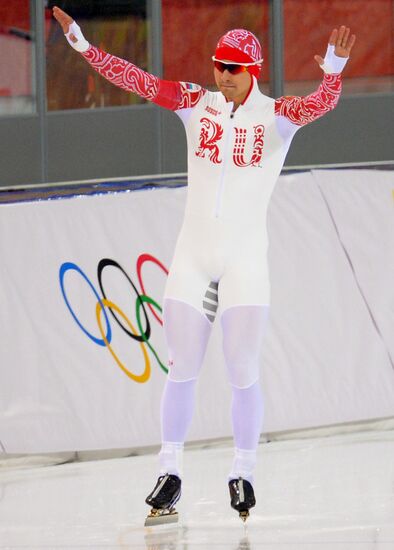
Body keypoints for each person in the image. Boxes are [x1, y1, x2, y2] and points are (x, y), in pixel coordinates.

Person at [53, 6, 355, 523]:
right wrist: (83, 45)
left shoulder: (277, 115)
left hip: (243, 262)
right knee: (182, 367)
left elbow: (323, 103)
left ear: (252, 71)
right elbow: (138, 79)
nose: (222, 75)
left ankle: (244, 471)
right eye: (218, 64)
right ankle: (169, 472)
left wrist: (333, 68)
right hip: (192, 257)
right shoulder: (196, 103)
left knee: (241, 368)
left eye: (232, 68)